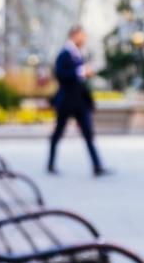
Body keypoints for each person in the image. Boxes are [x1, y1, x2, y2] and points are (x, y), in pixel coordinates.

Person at [47, 26, 111, 176]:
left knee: (88, 133)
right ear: (74, 36)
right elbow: (60, 74)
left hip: (80, 102)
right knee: (58, 131)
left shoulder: (78, 55)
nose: (84, 39)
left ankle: (97, 165)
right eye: (82, 36)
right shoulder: (64, 54)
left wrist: (85, 73)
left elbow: (79, 77)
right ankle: (50, 163)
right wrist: (80, 71)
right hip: (66, 101)